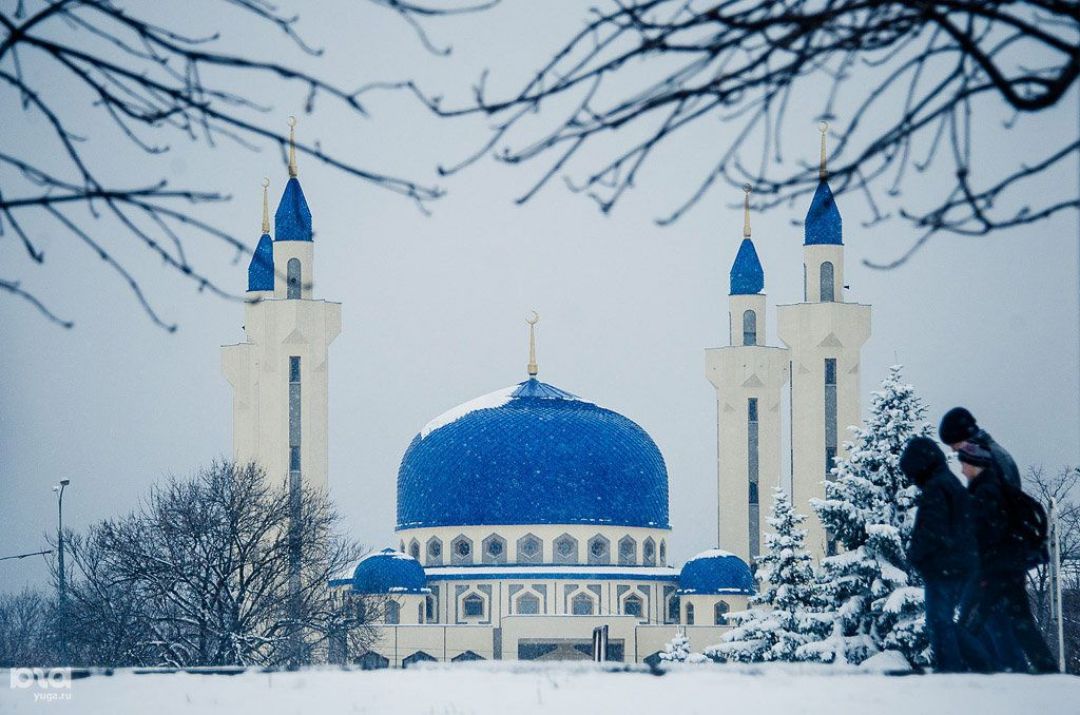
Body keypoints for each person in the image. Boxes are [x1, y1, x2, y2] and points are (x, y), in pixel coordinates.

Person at [956, 443, 1057, 673]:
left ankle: (960, 673)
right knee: (1022, 625)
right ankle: (1048, 670)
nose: (962, 470)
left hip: (994, 571)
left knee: (968, 625)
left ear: (974, 465)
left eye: (964, 464)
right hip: (1010, 568)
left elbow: (988, 536)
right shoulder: (996, 487)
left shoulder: (985, 493)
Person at [900, 436, 980, 672]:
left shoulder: (936, 488)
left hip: (943, 567)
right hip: (957, 564)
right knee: (946, 623)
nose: (914, 482)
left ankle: (952, 670)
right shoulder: (948, 482)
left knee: (939, 622)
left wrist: (917, 556)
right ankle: (981, 666)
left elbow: (931, 529)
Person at [939, 407, 1021, 489]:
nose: (953, 450)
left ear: (963, 438)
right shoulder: (980, 458)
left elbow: (1008, 496)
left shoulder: (992, 457)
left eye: (953, 445)